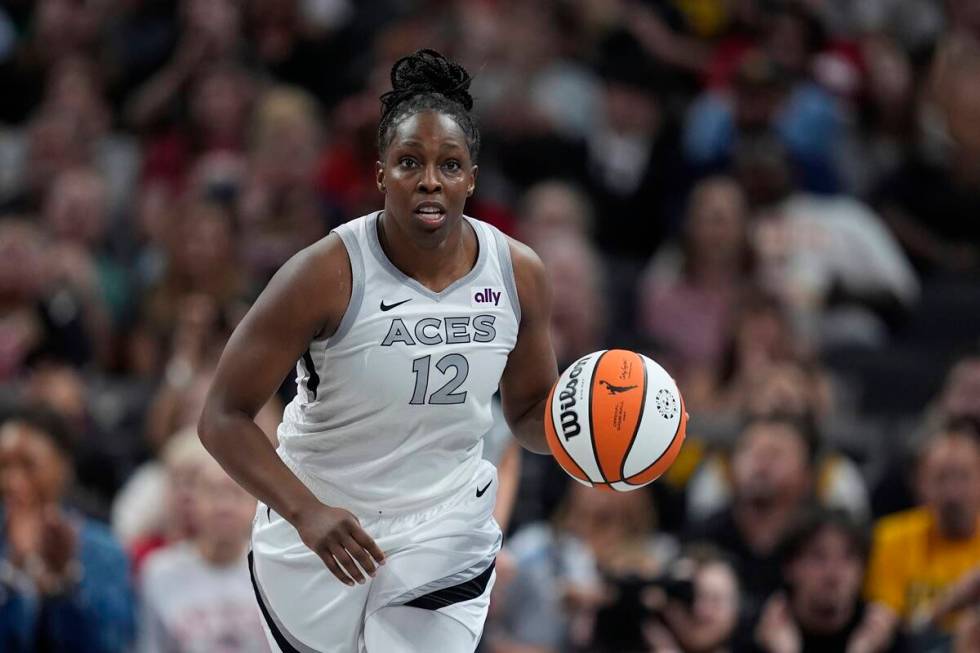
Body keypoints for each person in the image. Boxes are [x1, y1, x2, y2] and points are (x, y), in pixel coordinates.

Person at [198, 49, 558, 652]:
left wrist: (585, 441)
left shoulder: (519, 272)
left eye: (449, 164)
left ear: (471, 177)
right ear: (380, 173)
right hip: (321, 521)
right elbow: (221, 416)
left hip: (448, 521)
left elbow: (527, 412)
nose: (429, 180)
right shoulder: (322, 273)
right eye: (409, 161)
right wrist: (305, 511)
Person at [0, 405, 135, 652]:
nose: (12, 481)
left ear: (63, 467)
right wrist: (12, 572)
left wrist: (64, 582)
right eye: (4, 466)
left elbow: (110, 645)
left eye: (28, 465)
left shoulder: (103, 551)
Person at [138, 454, 268, 652]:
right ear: (193, 502)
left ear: (255, 504)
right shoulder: (159, 572)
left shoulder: (271, 569)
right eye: (213, 492)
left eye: (236, 493)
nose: (224, 506)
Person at [865, 424, 980, 636]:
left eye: (964, 477)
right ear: (920, 484)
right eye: (941, 478)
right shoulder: (891, 538)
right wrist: (954, 600)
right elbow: (889, 630)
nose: (953, 494)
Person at [754, 508, 901, 653]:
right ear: (790, 567)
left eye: (848, 558)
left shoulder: (882, 639)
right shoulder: (765, 636)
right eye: (819, 557)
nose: (833, 574)